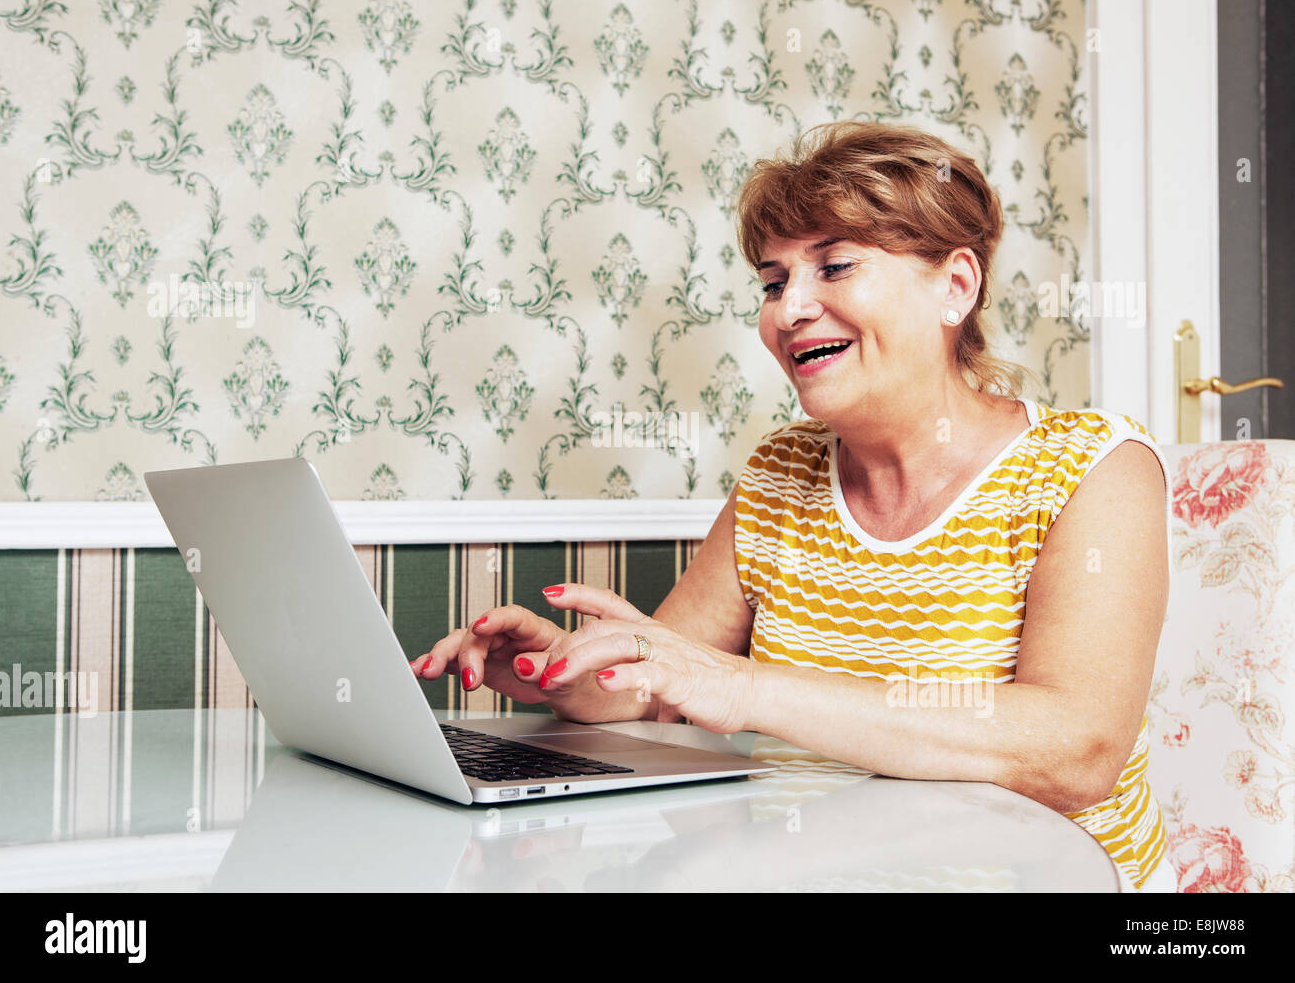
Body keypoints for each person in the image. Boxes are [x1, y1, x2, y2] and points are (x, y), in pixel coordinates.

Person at [411, 121, 1176, 892]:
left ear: (956, 285)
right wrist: (565, 672)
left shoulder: (1090, 467)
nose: (790, 309)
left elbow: (1077, 748)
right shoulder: (782, 472)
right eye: (775, 282)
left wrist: (746, 688)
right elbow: (664, 683)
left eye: (834, 265)